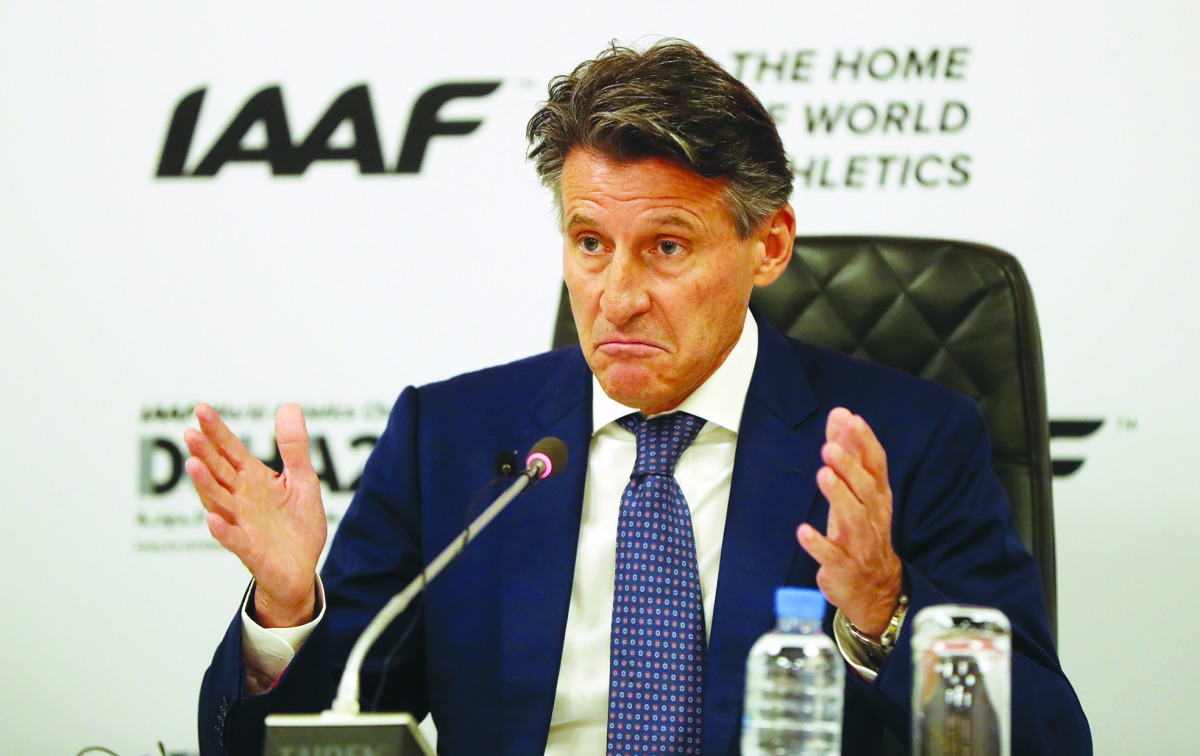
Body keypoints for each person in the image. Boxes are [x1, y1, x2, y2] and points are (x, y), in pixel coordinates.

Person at [188, 39, 1091, 755]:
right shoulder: (454, 440)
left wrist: (884, 610)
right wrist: (284, 611)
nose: (616, 294)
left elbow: (1049, 740)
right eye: (589, 242)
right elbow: (299, 735)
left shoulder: (908, 443)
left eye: (666, 247)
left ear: (768, 246)